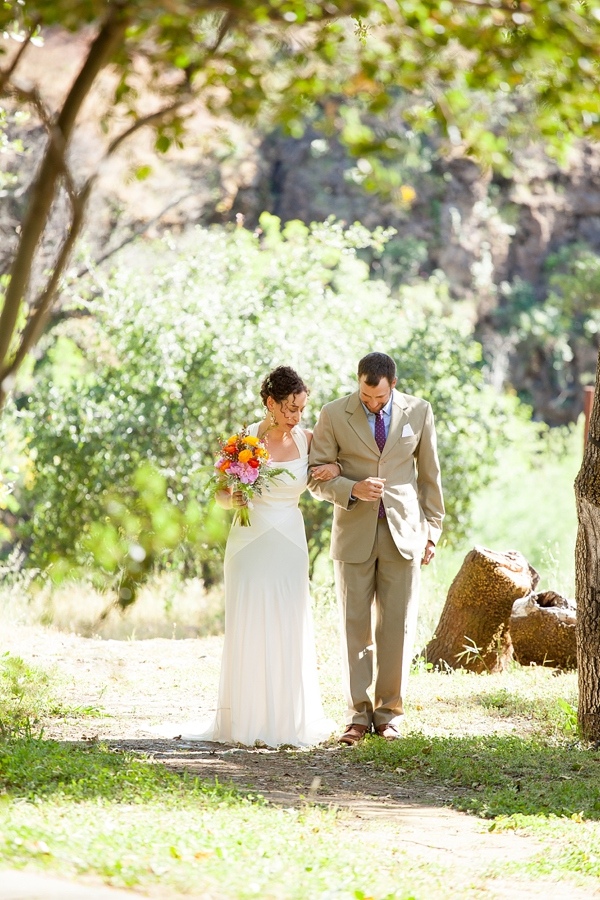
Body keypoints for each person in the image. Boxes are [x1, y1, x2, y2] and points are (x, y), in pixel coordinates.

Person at [180, 366, 338, 748]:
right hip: (248, 541)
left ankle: (287, 720)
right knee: (249, 622)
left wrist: (333, 468)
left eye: (302, 408)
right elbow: (219, 492)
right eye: (290, 408)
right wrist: (228, 499)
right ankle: (246, 720)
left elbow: (325, 475)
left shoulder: (309, 439)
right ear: (271, 402)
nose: (297, 416)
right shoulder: (244, 440)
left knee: (288, 621)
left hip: (289, 540)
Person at [308, 352, 444, 744]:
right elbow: (316, 477)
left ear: (393, 385)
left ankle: (388, 715)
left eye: (379, 398)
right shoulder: (333, 414)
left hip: (405, 532)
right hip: (353, 531)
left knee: (397, 627)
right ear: (359, 383)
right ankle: (356, 715)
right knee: (355, 626)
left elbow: (430, 476)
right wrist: (351, 488)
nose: (372, 404)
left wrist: (432, 531)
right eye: (366, 397)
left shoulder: (419, 412)